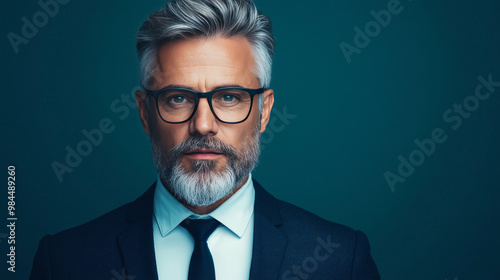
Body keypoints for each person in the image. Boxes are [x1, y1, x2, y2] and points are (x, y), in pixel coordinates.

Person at [30, 0, 380, 279]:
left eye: (229, 97)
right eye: (177, 98)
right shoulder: (64, 262)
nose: (202, 125)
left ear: (264, 111)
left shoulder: (339, 259)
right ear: (144, 112)